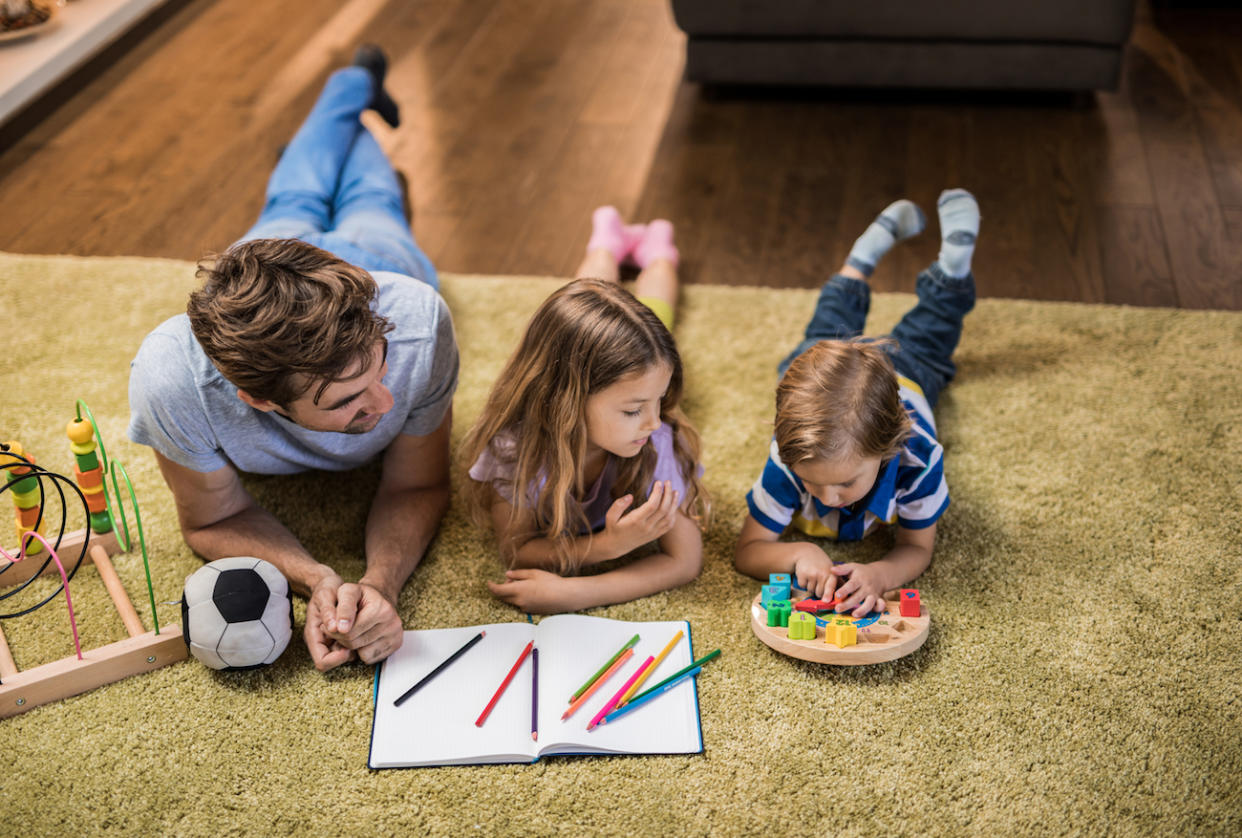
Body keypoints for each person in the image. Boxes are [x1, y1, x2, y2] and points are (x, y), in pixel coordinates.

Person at [127, 47, 458, 672]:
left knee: (370, 200)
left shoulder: (414, 318)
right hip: (263, 275)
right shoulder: (172, 380)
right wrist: (316, 578)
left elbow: (419, 480)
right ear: (256, 398)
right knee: (301, 189)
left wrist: (382, 585)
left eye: (378, 364)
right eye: (345, 401)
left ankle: (350, 89)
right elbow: (211, 520)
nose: (386, 404)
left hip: (371, 260)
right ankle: (348, 97)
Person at [734, 189, 980, 617]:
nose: (828, 497)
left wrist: (882, 574)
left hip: (906, 372)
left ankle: (951, 271)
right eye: (813, 483)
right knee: (827, 328)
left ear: (888, 446)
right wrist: (800, 553)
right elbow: (748, 551)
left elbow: (917, 547)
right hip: (825, 366)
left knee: (930, 335)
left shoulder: (918, 462)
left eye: (846, 482)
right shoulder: (790, 457)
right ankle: (863, 257)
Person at [462, 208, 708, 613]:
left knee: (657, 312)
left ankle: (659, 248)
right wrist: (608, 546)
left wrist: (578, 593)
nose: (653, 421)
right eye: (633, 411)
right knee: (586, 294)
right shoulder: (516, 447)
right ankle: (606, 241)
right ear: (565, 404)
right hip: (584, 359)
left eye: (660, 400)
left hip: (627, 355)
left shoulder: (657, 436)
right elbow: (517, 550)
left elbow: (685, 561)